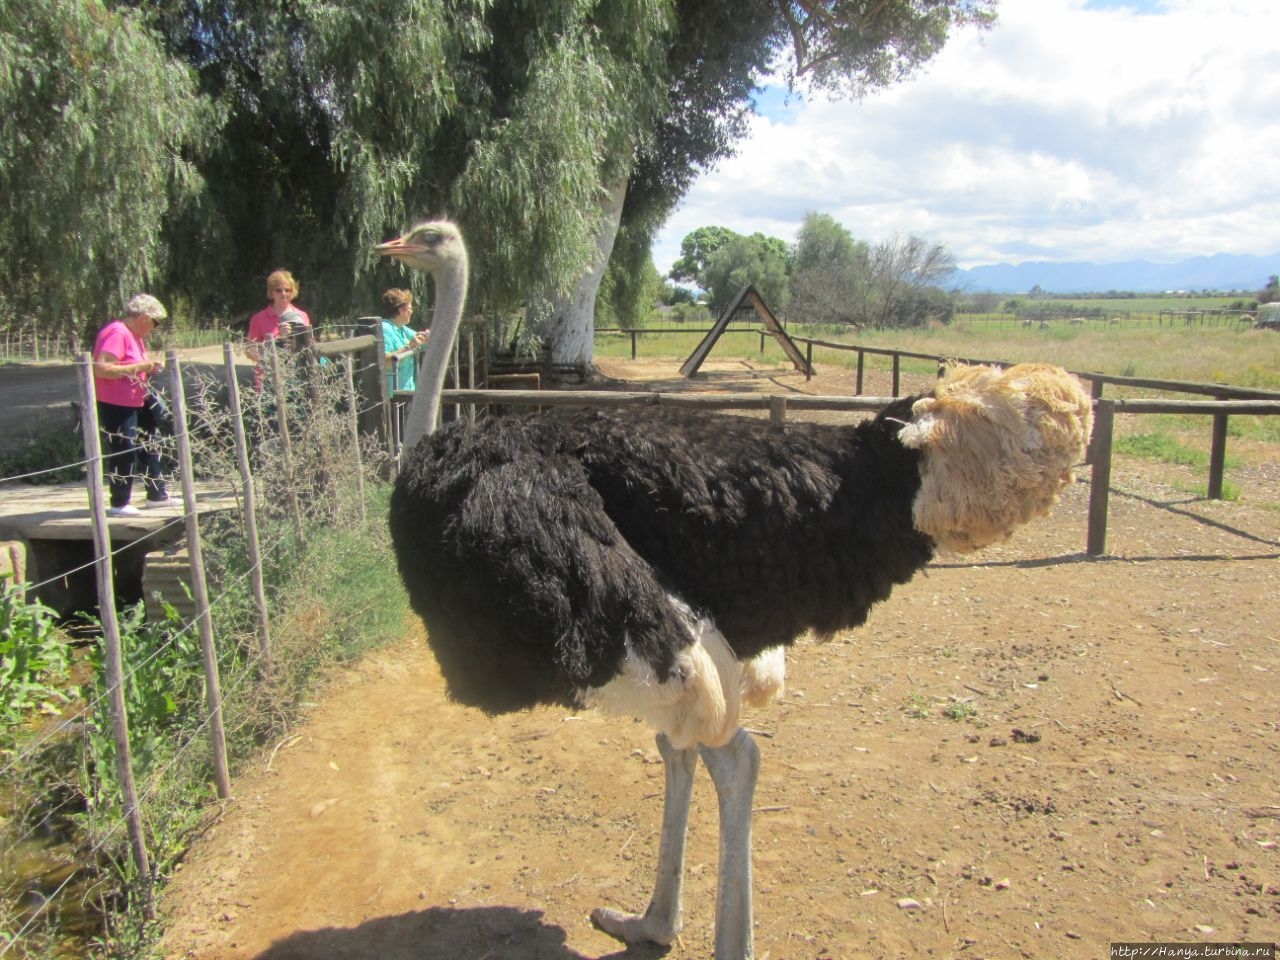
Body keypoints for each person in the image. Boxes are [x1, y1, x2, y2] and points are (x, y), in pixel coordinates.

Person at [91, 293, 174, 517]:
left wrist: (148, 366)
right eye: (155, 322)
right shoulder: (118, 332)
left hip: (137, 398)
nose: (155, 327)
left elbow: (135, 363)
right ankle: (119, 502)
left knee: (150, 442)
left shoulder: (134, 335)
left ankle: (157, 494)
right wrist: (140, 367)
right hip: (116, 401)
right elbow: (101, 368)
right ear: (144, 317)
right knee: (124, 448)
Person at [247, 269, 311, 391]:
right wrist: (272, 352)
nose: (283, 293)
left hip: (297, 379)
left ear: (293, 292)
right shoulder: (259, 318)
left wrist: (292, 339)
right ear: (271, 292)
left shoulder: (302, 316)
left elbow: (307, 348)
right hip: (268, 381)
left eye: (288, 290)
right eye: (278, 290)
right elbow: (250, 351)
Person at [380, 288, 429, 393]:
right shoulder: (385, 329)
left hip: (407, 394)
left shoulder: (402, 329)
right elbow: (384, 362)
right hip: (393, 398)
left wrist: (429, 337)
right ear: (401, 311)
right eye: (410, 308)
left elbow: (424, 342)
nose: (412, 311)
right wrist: (409, 347)